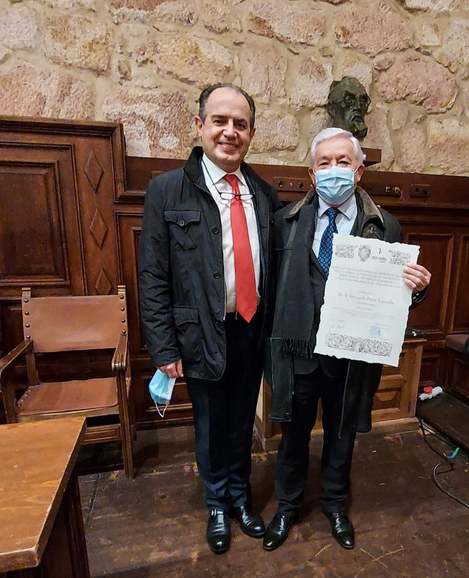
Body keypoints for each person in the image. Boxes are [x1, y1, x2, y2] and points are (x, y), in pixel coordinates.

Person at [262, 127, 431, 552]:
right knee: (293, 435)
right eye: (324, 163)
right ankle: (287, 506)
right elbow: (269, 291)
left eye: (343, 162)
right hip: (298, 352)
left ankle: (336, 505)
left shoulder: (385, 226)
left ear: (358, 172)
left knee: (341, 436)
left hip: (351, 356)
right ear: (311, 172)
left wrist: (418, 286)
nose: (333, 170)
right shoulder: (284, 222)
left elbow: (396, 294)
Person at [138, 84, 281, 555]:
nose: (229, 132)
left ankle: (241, 497)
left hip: (251, 330)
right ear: (199, 126)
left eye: (240, 124)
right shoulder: (166, 190)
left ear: (252, 134)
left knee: (243, 422)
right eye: (220, 121)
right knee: (210, 424)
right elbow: (153, 275)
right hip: (199, 332)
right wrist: (163, 349)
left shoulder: (263, 193)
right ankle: (217, 503)